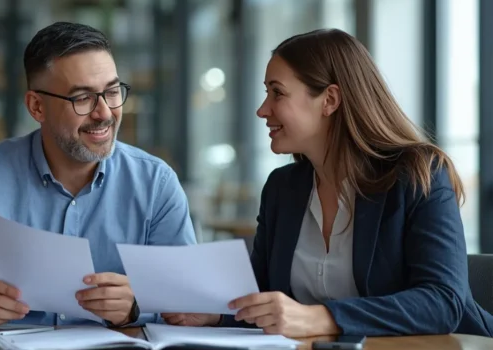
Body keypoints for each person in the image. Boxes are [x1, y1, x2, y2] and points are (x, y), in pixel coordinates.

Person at [162, 28, 493, 337]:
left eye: (277, 93)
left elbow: (442, 302)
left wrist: (318, 317)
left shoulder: (419, 174)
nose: (262, 110)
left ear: (330, 100)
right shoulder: (282, 188)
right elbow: (265, 296)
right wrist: (215, 314)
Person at [0, 22, 196, 328]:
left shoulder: (156, 183)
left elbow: (188, 305)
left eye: (111, 92)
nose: (105, 113)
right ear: (36, 106)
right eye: (82, 98)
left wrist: (135, 307)